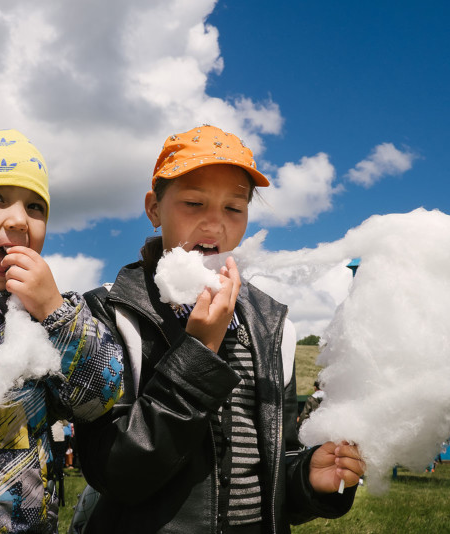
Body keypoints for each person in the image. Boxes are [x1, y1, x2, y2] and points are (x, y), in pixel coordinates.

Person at [74, 125, 365, 533]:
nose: (214, 222)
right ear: (154, 209)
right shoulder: (109, 312)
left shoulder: (273, 325)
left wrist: (307, 478)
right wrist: (199, 350)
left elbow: (271, 468)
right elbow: (116, 473)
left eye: (234, 208)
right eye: (193, 203)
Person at [0, 129, 124, 533]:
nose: (18, 219)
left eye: (35, 207)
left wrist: (54, 312)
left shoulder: (48, 317)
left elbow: (100, 399)